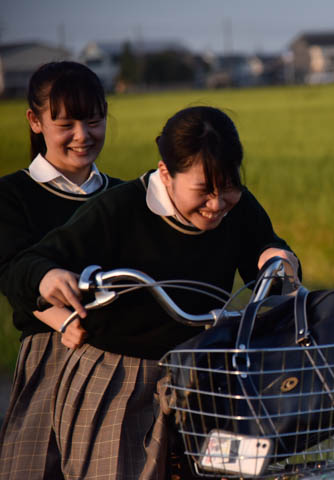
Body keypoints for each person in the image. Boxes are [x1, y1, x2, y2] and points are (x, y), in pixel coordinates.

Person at [5, 106, 300, 479]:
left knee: (232, 471)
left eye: (228, 187)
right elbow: (30, 263)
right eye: (203, 191)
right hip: (119, 375)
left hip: (204, 371)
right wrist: (46, 276)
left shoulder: (238, 209)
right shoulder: (118, 210)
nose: (217, 204)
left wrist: (276, 257)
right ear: (166, 173)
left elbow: (266, 249)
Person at [0, 61, 121, 479]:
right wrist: (63, 318)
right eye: (65, 123)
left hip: (123, 357)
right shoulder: (13, 194)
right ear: (35, 121)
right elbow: (12, 273)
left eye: (93, 121)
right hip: (52, 354)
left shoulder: (126, 196)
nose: (82, 136)